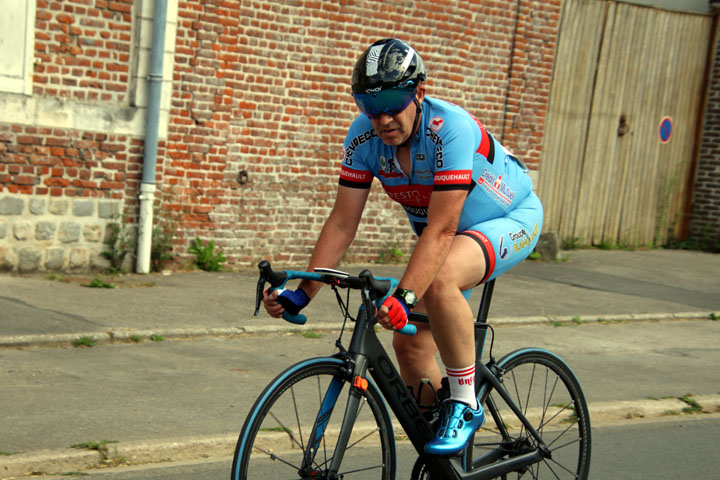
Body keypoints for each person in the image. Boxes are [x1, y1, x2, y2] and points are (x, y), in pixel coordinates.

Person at [263, 38, 543, 455]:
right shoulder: (363, 139)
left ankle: (465, 404)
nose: (383, 118)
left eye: (394, 102)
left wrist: (406, 295)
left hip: (509, 219)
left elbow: (442, 230)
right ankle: (444, 455)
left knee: (441, 277)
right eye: (370, 106)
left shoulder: (451, 130)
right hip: (447, 239)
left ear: (419, 93)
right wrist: (303, 292)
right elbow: (342, 223)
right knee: (409, 345)